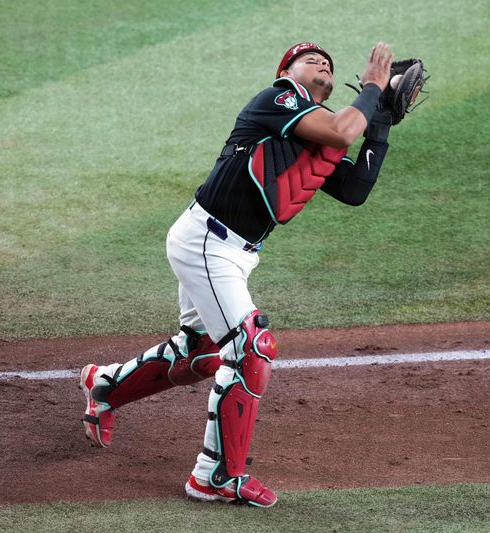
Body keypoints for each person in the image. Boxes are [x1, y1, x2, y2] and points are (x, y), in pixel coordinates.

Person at [80, 41, 399, 508]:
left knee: (201, 348)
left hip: (231, 251)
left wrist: (383, 125)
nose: (322, 66)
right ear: (286, 70)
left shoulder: (317, 133)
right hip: (207, 241)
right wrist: (373, 87)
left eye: (328, 65)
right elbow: (341, 128)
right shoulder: (278, 100)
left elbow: (354, 190)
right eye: (311, 60)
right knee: (252, 348)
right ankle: (214, 476)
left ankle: (103, 385)